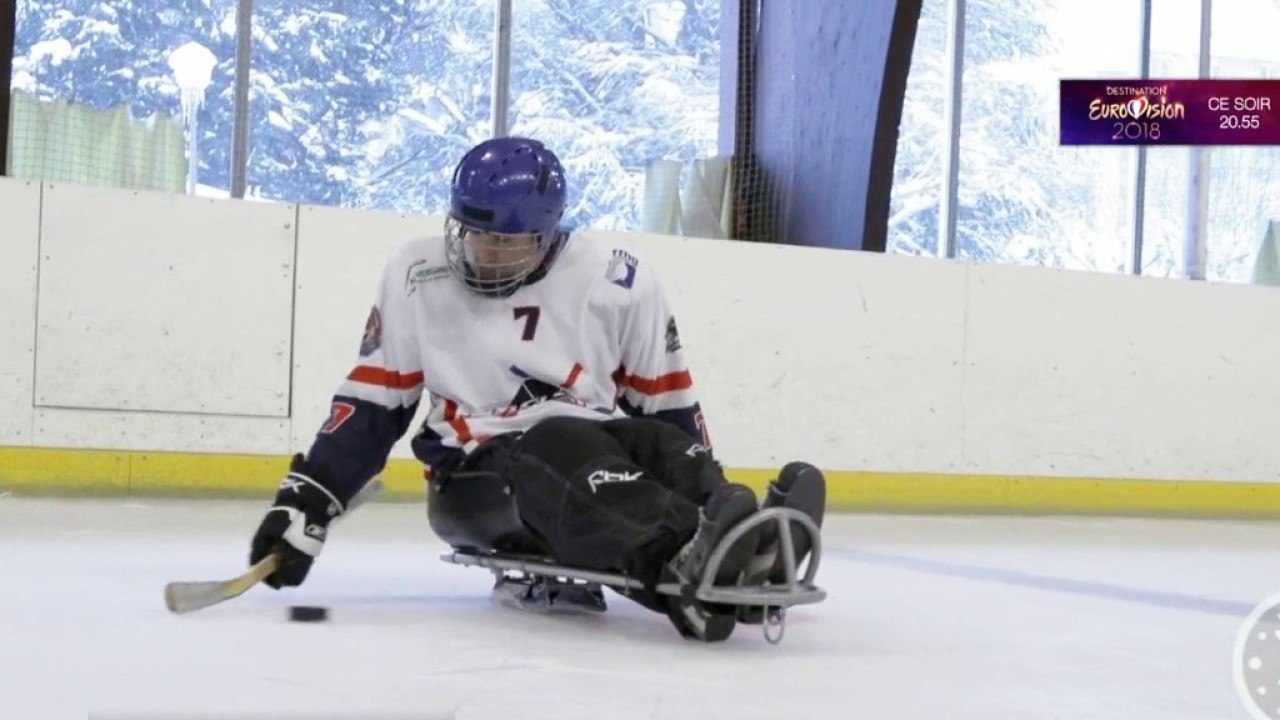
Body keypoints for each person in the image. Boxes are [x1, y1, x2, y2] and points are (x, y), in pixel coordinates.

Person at [248, 136, 825, 642]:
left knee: (657, 442)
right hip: (475, 474)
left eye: (509, 242)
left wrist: (708, 487)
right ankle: (685, 567)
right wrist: (306, 503)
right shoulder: (416, 271)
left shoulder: (619, 278)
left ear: (549, 234)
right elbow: (375, 402)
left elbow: (669, 404)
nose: (487, 254)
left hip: (594, 452)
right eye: (475, 234)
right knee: (560, 444)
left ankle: (747, 545)